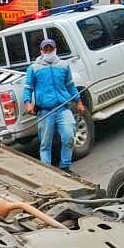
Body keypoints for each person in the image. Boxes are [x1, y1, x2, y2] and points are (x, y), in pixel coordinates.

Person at [22, 38, 85, 172]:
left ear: (55, 49)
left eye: (51, 48)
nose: (48, 51)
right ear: (41, 51)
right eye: (46, 49)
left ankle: (65, 167)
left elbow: (70, 86)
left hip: (63, 108)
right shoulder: (33, 68)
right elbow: (28, 88)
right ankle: (48, 171)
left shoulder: (63, 65)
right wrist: (27, 103)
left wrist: (78, 102)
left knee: (68, 136)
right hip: (45, 112)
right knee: (45, 143)